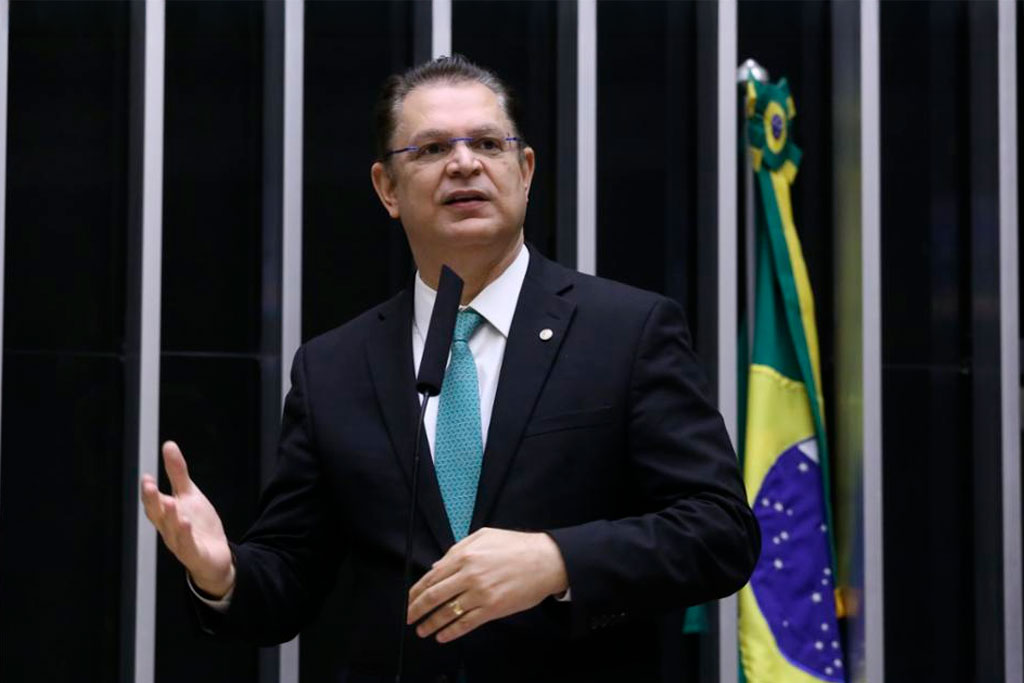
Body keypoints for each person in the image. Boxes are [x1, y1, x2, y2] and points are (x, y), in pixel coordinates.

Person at [140, 55, 759, 683]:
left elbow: (719, 532)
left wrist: (556, 559)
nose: (465, 163)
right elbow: (290, 579)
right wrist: (222, 574)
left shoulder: (626, 331)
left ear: (525, 170)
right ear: (387, 188)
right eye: (432, 148)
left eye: (488, 143)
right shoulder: (334, 367)